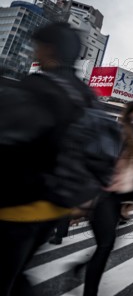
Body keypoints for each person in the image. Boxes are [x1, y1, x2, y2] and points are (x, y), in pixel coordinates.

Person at [0, 22, 99, 295]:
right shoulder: (87, 96)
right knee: (15, 273)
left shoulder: (36, 89)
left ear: (50, 49)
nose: (35, 53)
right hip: (55, 206)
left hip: (15, 202)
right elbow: (99, 152)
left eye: (38, 46)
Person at [83, 101, 133, 296]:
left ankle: (82, 267)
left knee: (106, 243)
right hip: (103, 194)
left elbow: (132, 172)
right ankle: (89, 290)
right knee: (106, 243)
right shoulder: (119, 132)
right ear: (130, 114)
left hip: (118, 197)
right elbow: (101, 161)